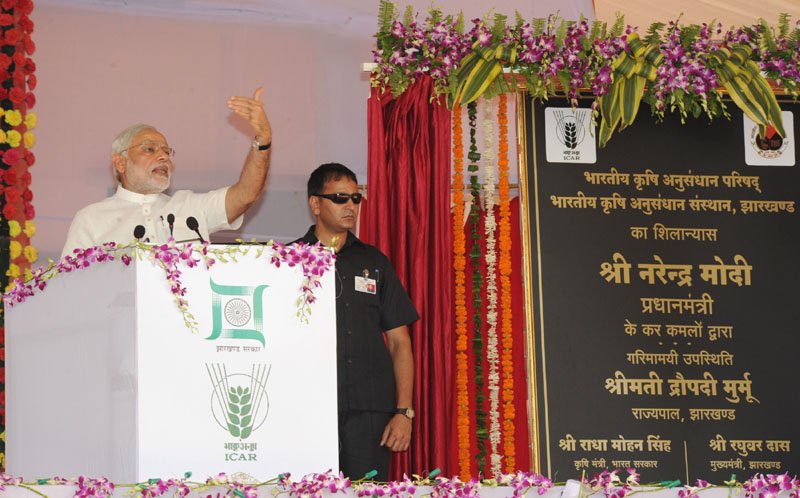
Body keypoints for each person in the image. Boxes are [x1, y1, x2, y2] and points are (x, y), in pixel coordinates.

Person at [294, 163, 418, 481]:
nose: (351, 206)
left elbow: (400, 341)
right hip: (308, 407)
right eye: (340, 198)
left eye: (356, 198)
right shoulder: (289, 260)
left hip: (370, 411)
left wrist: (404, 412)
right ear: (315, 204)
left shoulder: (374, 262)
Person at [61, 87, 272, 257]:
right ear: (120, 162)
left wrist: (263, 140)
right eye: (149, 149)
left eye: (166, 151)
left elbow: (246, 194)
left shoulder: (188, 206)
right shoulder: (91, 219)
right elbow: (70, 286)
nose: (163, 157)